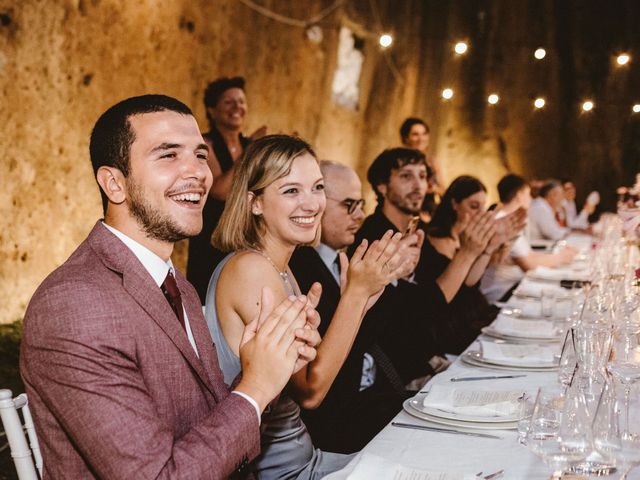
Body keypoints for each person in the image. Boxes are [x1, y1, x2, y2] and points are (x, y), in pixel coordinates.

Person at [19, 95, 319, 479]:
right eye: (168, 155)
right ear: (114, 183)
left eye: (199, 155)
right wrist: (256, 387)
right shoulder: (75, 305)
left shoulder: (175, 284)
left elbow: (206, 419)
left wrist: (269, 358)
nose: (197, 172)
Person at [205, 135, 405, 479]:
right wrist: (354, 297)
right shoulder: (251, 270)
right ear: (254, 203)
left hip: (307, 457)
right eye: (291, 191)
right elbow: (312, 392)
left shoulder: (280, 268)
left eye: (317, 188)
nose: (312, 204)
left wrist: (359, 301)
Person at [290, 160, 420, 453]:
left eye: (360, 204)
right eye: (348, 205)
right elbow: (340, 360)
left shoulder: (342, 258)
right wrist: (367, 291)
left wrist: (394, 278)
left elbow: (391, 335)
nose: (360, 215)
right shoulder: (302, 267)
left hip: (371, 392)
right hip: (337, 417)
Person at [187, 76, 267, 303]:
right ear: (212, 110)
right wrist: (252, 150)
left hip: (244, 234)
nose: (237, 107)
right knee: (208, 298)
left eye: (241, 101)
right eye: (229, 102)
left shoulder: (248, 143)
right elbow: (219, 190)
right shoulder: (204, 143)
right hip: (211, 236)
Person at [423, 175, 523, 353]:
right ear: (454, 204)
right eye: (474, 206)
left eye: (483, 208)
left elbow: (469, 283)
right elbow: (448, 295)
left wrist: (490, 248)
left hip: (473, 315)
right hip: (450, 327)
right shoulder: (433, 240)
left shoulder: (465, 239)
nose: (479, 214)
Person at [480, 174, 577, 303]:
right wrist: (561, 258)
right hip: (502, 292)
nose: (531, 198)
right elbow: (529, 264)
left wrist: (559, 256)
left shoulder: (509, 217)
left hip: (512, 284)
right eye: (528, 194)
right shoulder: (504, 220)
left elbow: (529, 255)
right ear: (519, 195)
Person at [399, 117, 444, 218]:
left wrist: (433, 189)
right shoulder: (400, 162)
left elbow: (444, 191)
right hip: (406, 212)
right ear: (406, 138)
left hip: (428, 212)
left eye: (424, 134)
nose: (421, 139)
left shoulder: (431, 162)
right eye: (415, 134)